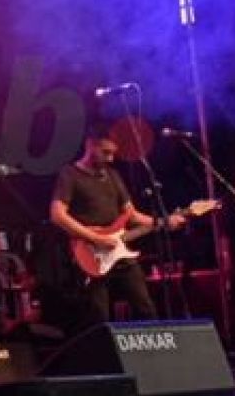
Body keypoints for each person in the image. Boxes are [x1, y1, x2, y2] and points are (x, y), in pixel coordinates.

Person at [50, 132, 184, 327]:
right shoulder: (70, 174)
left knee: (145, 308)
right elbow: (57, 215)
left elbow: (132, 215)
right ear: (91, 146)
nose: (111, 158)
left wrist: (164, 222)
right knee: (99, 315)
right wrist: (95, 238)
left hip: (120, 253)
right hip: (91, 254)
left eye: (113, 153)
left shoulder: (113, 175)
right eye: (106, 153)